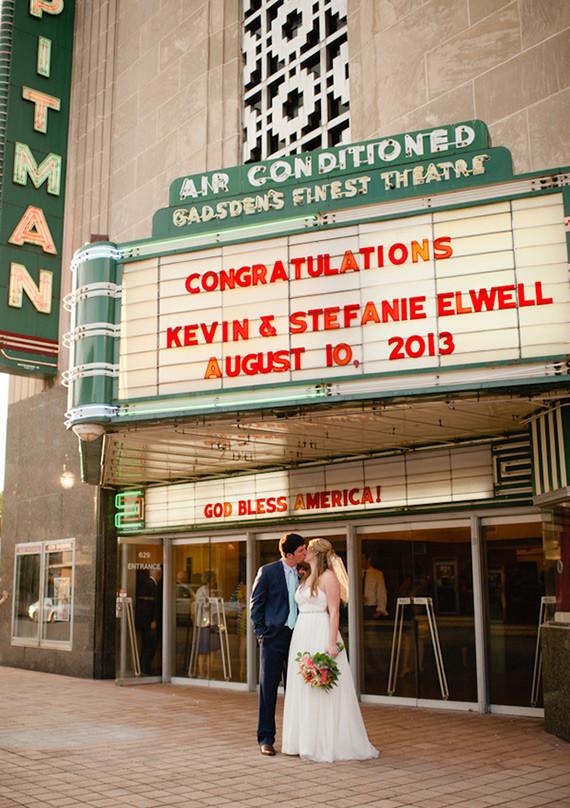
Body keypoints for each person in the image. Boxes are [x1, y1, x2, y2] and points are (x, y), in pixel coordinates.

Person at [282, 538, 378, 762]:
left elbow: (334, 611)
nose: (304, 551)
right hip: (302, 634)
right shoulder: (306, 577)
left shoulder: (328, 577)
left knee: (321, 687)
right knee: (303, 685)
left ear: (317, 553)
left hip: (320, 631)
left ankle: (325, 742)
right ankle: (303, 740)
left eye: (308, 548)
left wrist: (332, 642)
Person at [250, 531, 307, 756]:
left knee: (297, 690)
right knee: (269, 690)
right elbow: (256, 605)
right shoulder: (267, 571)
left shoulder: (305, 572)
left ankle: (297, 739)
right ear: (290, 554)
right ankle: (266, 739)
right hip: (274, 638)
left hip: (299, 637)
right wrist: (262, 633)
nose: (305, 553)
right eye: (302, 550)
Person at [135, 566, 162, 675]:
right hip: (148, 621)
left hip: (148, 621)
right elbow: (148, 605)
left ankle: (145, 667)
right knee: (149, 644)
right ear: (157, 574)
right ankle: (145, 668)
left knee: (148, 644)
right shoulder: (148, 585)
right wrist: (153, 620)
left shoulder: (150, 584)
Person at [193, 570, 220, 678]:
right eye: (213, 580)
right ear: (209, 581)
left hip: (207, 623)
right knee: (207, 650)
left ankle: (207, 674)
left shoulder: (203, 591)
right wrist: (210, 598)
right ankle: (203, 673)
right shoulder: (203, 591)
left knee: (208, 650)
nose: (215, 582)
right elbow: (204, 606)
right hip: (204, 624)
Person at [362, 552, 388, 619]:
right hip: (357, 607)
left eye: (362, 559)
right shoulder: (355, 573)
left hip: (371, 607)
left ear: (368, 560)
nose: (360, 561)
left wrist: (380, 610)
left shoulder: (377, 574)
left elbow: (381, 593)